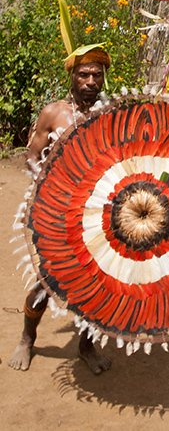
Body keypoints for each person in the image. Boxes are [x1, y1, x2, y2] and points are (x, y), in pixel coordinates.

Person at [9, 46, 112, 374]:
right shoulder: (54, 113)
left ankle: (86, 345)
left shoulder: (110, 113)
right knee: (49, 281)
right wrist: (46, 181)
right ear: (72, 76)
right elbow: (31, 154)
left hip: (97, 215)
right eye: (84, 74)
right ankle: (27, 338)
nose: (90, 81)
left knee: (98, 284)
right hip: (54, 212)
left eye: (97, 75)